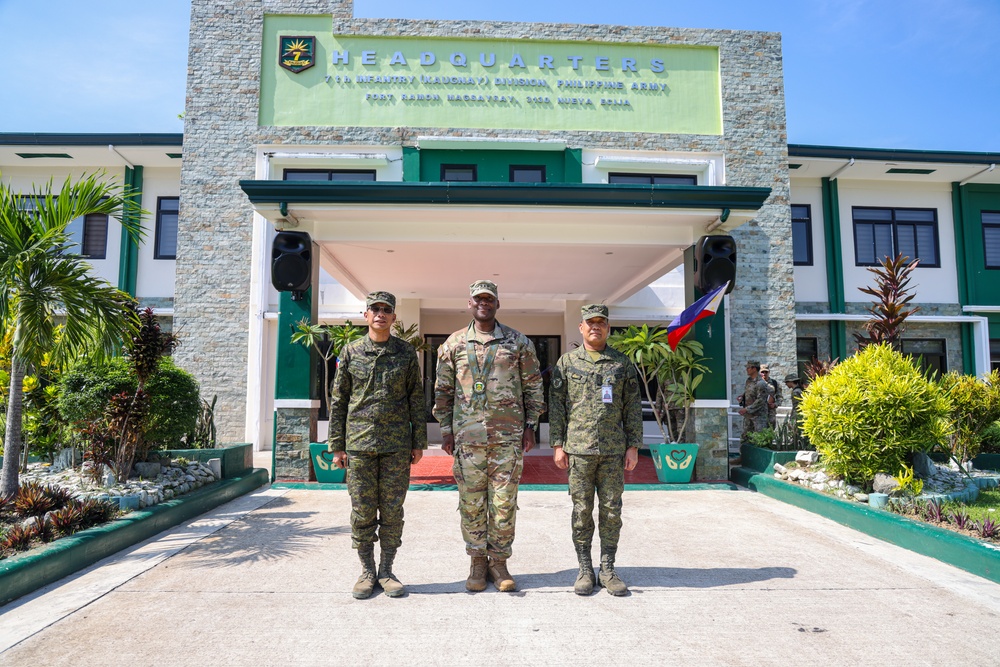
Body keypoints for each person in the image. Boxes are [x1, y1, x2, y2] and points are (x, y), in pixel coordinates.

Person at [433, 279, 545, 593]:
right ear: (470, 303)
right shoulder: (453, 344)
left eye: (490, 299)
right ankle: (477, 563)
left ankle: (499, 562)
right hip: (468, 440)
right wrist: (446, 430)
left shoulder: (517, 342)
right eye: (478, 298)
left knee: (504, 503)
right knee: (471, 504)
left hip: (507, 439)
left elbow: (534, 386)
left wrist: (531, 425)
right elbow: (442, 391)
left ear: (497, 304)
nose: (484, 303)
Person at [328, 291, 426, 599]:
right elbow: (339, 399)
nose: (380, 314)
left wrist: (418, 441)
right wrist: (337, 445)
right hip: (358, 445)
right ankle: (367, 571)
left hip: (396, 445)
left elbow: (416, 398)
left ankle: (387, 570)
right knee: (363, 509)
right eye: (375, 309)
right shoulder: (352, 351)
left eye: (386, 310)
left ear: (394, 318)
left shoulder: (406, 353)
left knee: (393, 510)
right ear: (366, 315)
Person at [549, 304, 643, 596]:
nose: (595, 327)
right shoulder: (567, 363)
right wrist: (557, 445)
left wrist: (633, 446)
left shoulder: (622, 363)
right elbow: (557, 406)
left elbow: (632, 407)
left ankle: (608, 567)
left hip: (613, 451)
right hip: (578, 450)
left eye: (601, 323)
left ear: (608, 328)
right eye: (590, 323)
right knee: (581, 511)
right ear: (581, 327)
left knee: (612, 511)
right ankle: (584, 569)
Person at [738, 360, 770, 444]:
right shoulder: (748, 381)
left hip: (758, 416)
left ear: (754, 369)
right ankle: (743, 456)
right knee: (745, 437)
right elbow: (750, 393)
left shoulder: (761, 383)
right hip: (748, 416)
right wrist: (743, 397)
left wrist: (747, 409)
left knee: (759, 439)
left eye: (748, 368)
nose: (747, 369)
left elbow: (761, 400)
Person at [784, 372, 806, 447]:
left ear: (791, 382)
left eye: (786, 382)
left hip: (798, 416)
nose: (786, 384)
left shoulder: (796, 392)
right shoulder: (800, 390)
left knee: (795, 433)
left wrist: (792, 419)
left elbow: (797, 407)